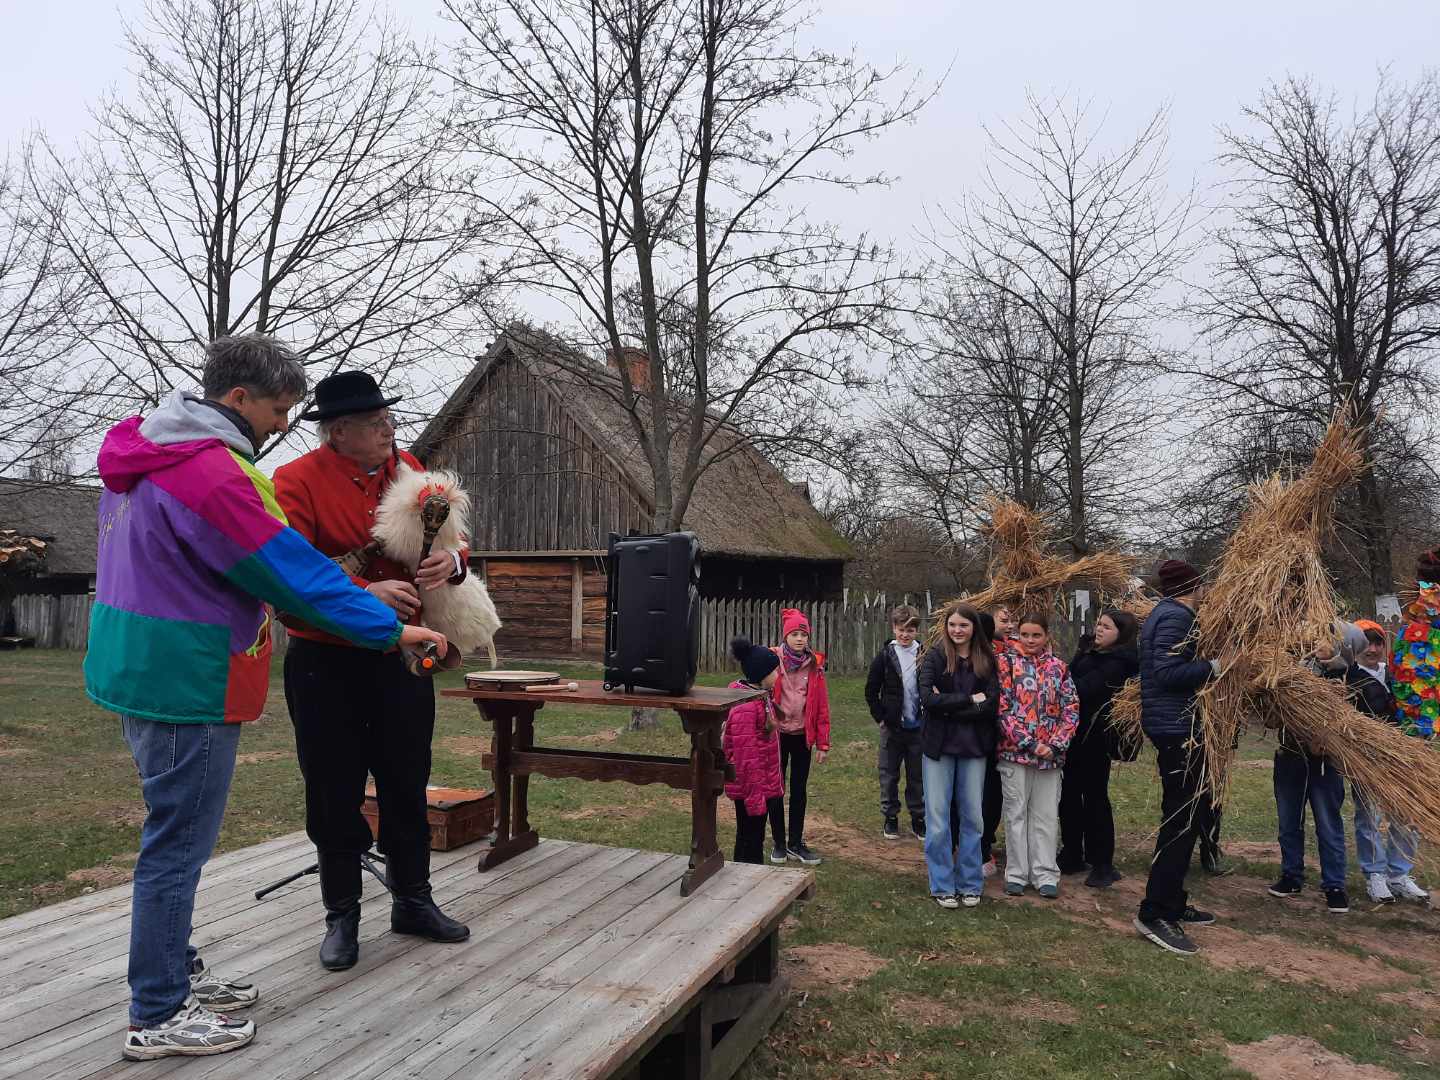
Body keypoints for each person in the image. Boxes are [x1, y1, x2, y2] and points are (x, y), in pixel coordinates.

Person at [84, 335, 448, 1061]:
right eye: (279, 409)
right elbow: (290, 573)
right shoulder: (214, 476)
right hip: (188, 678)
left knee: (171, 836)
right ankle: (157, 1009)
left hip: (136, 664)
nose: (283, 423)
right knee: (176, 848)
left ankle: (175, 970)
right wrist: (390, 629)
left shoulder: (145, 450)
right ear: (238, 398)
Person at [274, 371, 473, 973]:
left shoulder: (410, 470)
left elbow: (458, 545)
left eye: (388, 418)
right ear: (338, 431)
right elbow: (290, 574)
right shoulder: (294, 483)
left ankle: (413, 900)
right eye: (375, 420)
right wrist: (367, 590)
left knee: (406, 780)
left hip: (400, 658)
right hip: (324, 659)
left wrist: (452, 564)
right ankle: (343, 914)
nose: (389, 428)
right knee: (333, 788)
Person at [1132, 560, 1225, 956]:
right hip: (1177, 730)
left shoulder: (1170, 614)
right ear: (1193, 585)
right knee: (1181, 821)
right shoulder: (1174, 617)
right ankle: (1154, 912)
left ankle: (1172, 901)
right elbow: (1168, 672)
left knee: (1192, 816)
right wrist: (1216, 666)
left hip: (1180, 727)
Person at [1266, 623, 1358, 914]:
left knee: (1328, 824)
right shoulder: (1290, 667)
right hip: (1290, 755)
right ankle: (1291, 876)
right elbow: (1271, 715)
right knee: (1288, 821)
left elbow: (1350, 713)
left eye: (1325, 638)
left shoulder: (1343, 672)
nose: (1317, 642)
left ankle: (1334, 885)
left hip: (1325, 763)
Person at [917, 603, 1000, 908]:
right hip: (939, 748)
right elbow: (927, 699)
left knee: (973, 818)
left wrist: (948, 704)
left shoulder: (986, 659)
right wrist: (968, 699)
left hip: (974, 747)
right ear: (946, 627)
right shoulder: (936, 657)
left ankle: (969, 883)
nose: (957, 630)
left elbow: (990, 704)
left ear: (973, 628)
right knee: (938, 819)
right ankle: (942, 884)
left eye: (963, 625)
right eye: (952, 624)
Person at [995, 612, 1078, 899]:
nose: (1030, 641)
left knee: (1045, 815)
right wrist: (1029, 743)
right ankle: (1017, 873)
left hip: (1050, 757)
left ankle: (1045, 873)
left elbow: (1071, 709)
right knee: (1016, 813)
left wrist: (1055, 745)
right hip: (1015, 754)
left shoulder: (1059, 668)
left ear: (1046, 636)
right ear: (1018, 634)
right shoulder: (1005, 664)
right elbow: (1002, 710)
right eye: (1025, 635)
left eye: (1036, 635)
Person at [1058, 609, 1140, 889]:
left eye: (1106, 626)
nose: (1098, 629)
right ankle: (1072, 853)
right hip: (1074, 736)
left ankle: (1103, 862)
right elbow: (1069, 677)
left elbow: (1080, 688)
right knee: (1068, 795)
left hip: (1098, 738)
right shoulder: (1094, 654)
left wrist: (1070, 670)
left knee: (1094, 798)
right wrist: (1082, 653)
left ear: (1121, 633)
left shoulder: (1120, 662)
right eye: (1098, 624)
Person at [1348, 622, 1427, 904]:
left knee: (1407, 816)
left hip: (1405, 758)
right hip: (1367, 759)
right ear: (1355, 647)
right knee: (1369, 816)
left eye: (1378, 642)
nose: (1372, 648)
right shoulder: (1348, 678)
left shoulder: (1399, 675)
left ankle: (1399, 874)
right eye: (1366, 643)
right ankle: (1375, 876)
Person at [766, 608, 831, 866]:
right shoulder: (773, 660)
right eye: (794, 633)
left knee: (799, 790)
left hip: (803, 736)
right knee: (776, 789)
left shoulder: (815, 666)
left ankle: (795, 843)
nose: (800, 639)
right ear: (786, 636)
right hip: (777, 735)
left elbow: (822, 707)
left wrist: (823, 743)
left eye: (803, 634)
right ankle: (779, 843)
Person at [865, 604, 926, 841]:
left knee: (917, 775)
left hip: (918, 727)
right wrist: (881, 717)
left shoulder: (924, 654)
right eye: (901, 630)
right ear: (893, 628)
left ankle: (918, 818)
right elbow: (871, 690)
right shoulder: (884, 657)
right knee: (889, 774)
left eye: (910, 630)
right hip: (892, 727)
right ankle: (890, 816)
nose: (905, 635)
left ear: (916, 631)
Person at [724, 638, 784, 864]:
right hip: (751, 788)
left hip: (761, 786)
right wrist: (755, 798)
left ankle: (748, 876)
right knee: (749, 838)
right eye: (775, 671)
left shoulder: (761, 697)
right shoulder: (746, 707)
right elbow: (745, 757)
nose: (778, 675)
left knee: (753, 837)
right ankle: (744, 881)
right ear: (762, 675)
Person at [981, 607, 1019, 877]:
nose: (1009, 625)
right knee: (981, 792)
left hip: (1011, 735)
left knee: (996, 794)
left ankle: (987, 839)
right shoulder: (983, 653)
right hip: (983, 732)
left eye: (1012, 620)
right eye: (1004, 620)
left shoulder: (1017, 650)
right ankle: (979, 847)